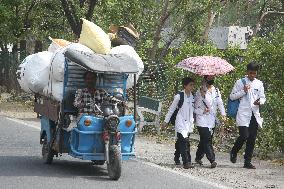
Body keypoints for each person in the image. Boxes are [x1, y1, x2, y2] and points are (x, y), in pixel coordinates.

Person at [229, 62, 266, 169]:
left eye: (255, 73)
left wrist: (260, 102)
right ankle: (234, 151)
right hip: (243, 113)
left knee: (252, 138)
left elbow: (263, 97)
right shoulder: (240, 82)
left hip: (254, 113)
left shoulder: (259, 83)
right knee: (244, 135)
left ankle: (247, 162)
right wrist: (243, 91)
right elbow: (232, 97)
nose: (252, 75)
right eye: (251, 73)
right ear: (247, 72)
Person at [162, 77, 195, 169]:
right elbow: (171, 110)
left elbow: (193, 110)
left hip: (188, 124)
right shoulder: (178, 96)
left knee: (181, 142)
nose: (192, 87)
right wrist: (165, 121)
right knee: (185, 142)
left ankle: (177, 157)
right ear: (185, 86)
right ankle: (187, 162)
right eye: (190, 85)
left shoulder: (192, 96)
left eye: (193, 85)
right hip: (180, 122)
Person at [194, 75, 226, 168]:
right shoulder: (200, 91)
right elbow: (195, 107)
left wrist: (223, 114)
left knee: (205, 140)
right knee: (207, 139)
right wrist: (202, 95)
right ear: (205, 78)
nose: (211, 79)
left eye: (213, 77)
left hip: (212, 120)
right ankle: (212, 160)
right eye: (209, 78)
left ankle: (198, 157)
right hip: (202, 119)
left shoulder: (216, 90)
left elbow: (220, 103)